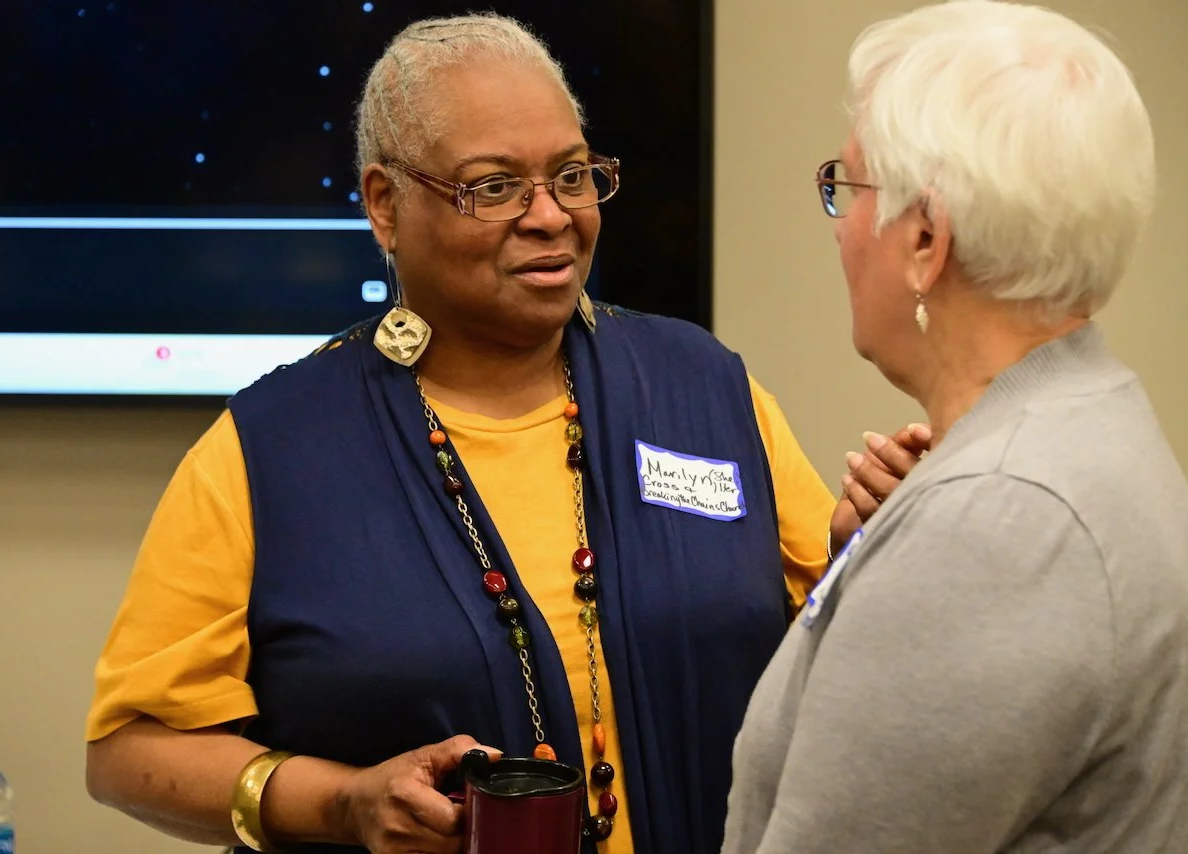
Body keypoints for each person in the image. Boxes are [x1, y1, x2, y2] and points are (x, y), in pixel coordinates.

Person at [83, 14, 922, 854]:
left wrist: (860, 556)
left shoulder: (702, 388)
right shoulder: (271, 449)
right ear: (385, 204)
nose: (551, 216)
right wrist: (344, 800)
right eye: (494, 187)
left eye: (573, 175)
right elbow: (129, 752)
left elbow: (833, 662)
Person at [721, 2, 1188, 853]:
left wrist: (943, 548)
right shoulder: (1086, 423)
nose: (839, 230)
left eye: (849, 188)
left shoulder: (1000, 521)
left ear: (927, 239)